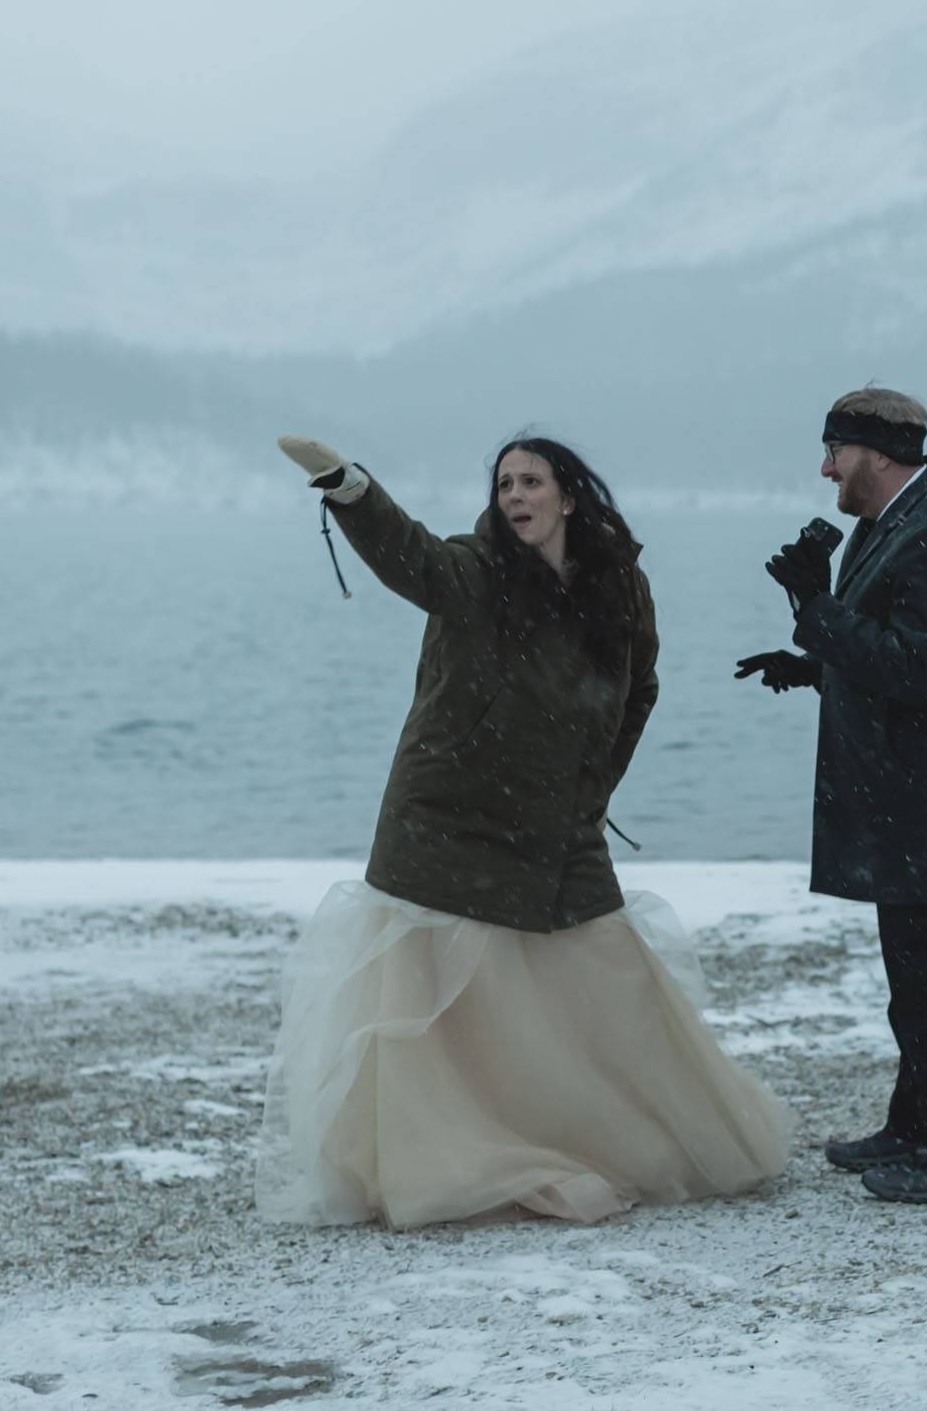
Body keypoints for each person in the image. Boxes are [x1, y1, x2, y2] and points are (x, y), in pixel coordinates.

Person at [257, 433, 789, 1229]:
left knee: (610, 983)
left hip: (560, 828)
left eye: (530, 481)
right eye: (504, 483)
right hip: (449, 819)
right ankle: (461, 1154)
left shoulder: (620, 583)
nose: (514, 495)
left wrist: (591, 784)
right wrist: (349, 488)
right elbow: (413, 561)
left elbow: (638, 686)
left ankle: (619, 1135)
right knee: (445, 1015)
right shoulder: (475, 570)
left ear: (568, 497)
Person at [736, 387, 927, 1204]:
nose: (825, 466)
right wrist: (815, 661)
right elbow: (902, 647)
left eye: (834, 449)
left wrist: (814, 607)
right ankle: (916, 1125)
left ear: (877, 453)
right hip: (923, 800)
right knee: (917, 976)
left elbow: (918, 669)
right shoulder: (901, 519)